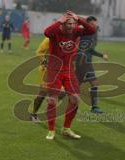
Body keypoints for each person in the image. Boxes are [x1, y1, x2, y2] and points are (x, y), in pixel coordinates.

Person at [44, 11, 95, 140]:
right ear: (63, 23)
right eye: (69, 24)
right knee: (52, 100)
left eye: (73, 24)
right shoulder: (56, 31)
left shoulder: (76, 31)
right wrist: (59, 21)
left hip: (68, 70)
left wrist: (79, 19)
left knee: (75, 99)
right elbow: (46, 32)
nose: (72, 26)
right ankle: (51, 130)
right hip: (54, 70)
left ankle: (66, 129)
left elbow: (91, 30)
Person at [76, 16, 109, 114]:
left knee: (76, 85)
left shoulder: (93, 33)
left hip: (84, 61)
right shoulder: (86, 34)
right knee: (93, 83)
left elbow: (90, 50)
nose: (94, 26)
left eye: (95, 24)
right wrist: (101, 55)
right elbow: (86, 49)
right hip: (83, 61)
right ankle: (94, 107)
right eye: (92, 24)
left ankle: (56, 97)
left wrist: (102, 55)